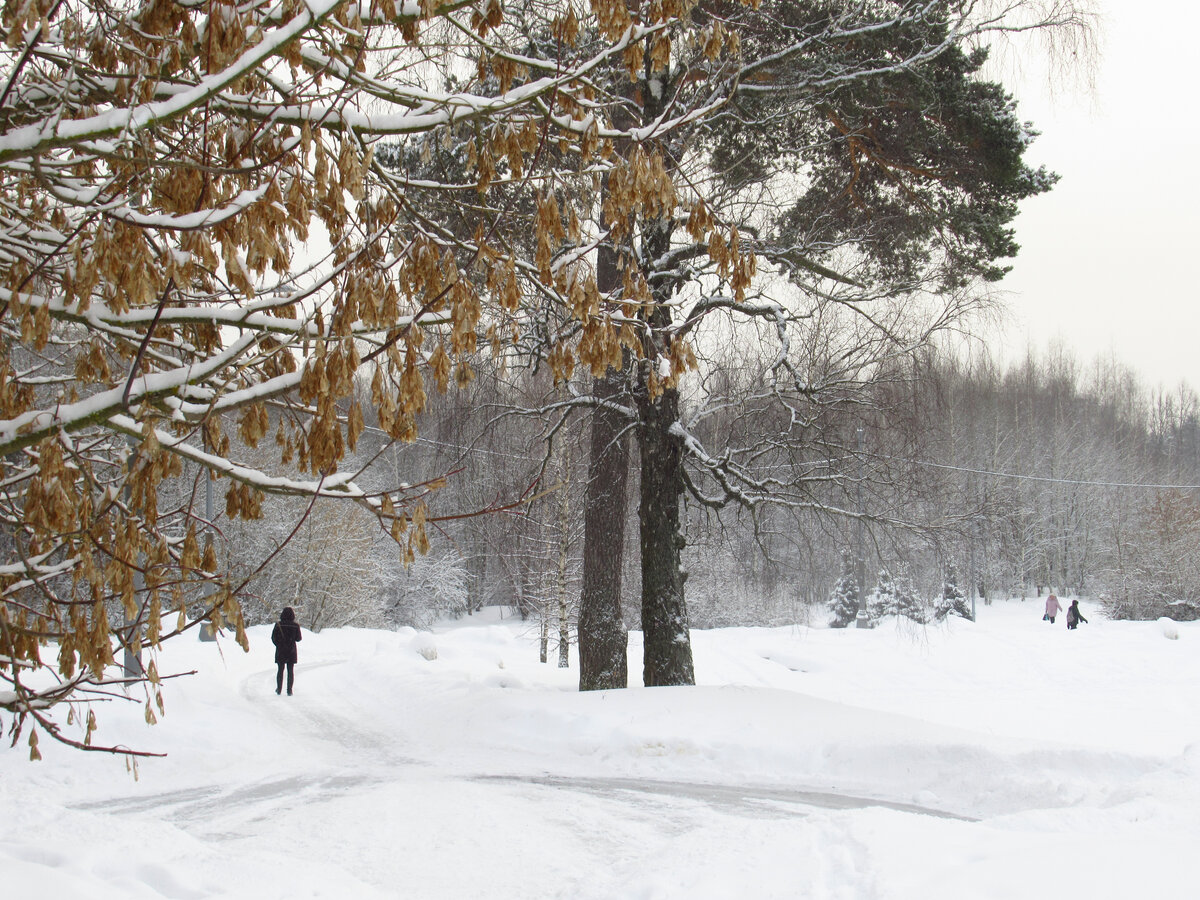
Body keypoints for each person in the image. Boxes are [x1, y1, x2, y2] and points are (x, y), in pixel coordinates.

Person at [271, 606, 302, 695]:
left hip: (281, 650)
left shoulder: (278, 625)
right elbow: (299, 638)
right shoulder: (295, 626)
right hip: (291, 651)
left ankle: (279, 689)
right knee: (290, 671)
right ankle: (289, 690)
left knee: (280, 670)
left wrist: (279, 644)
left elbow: (273, 637)